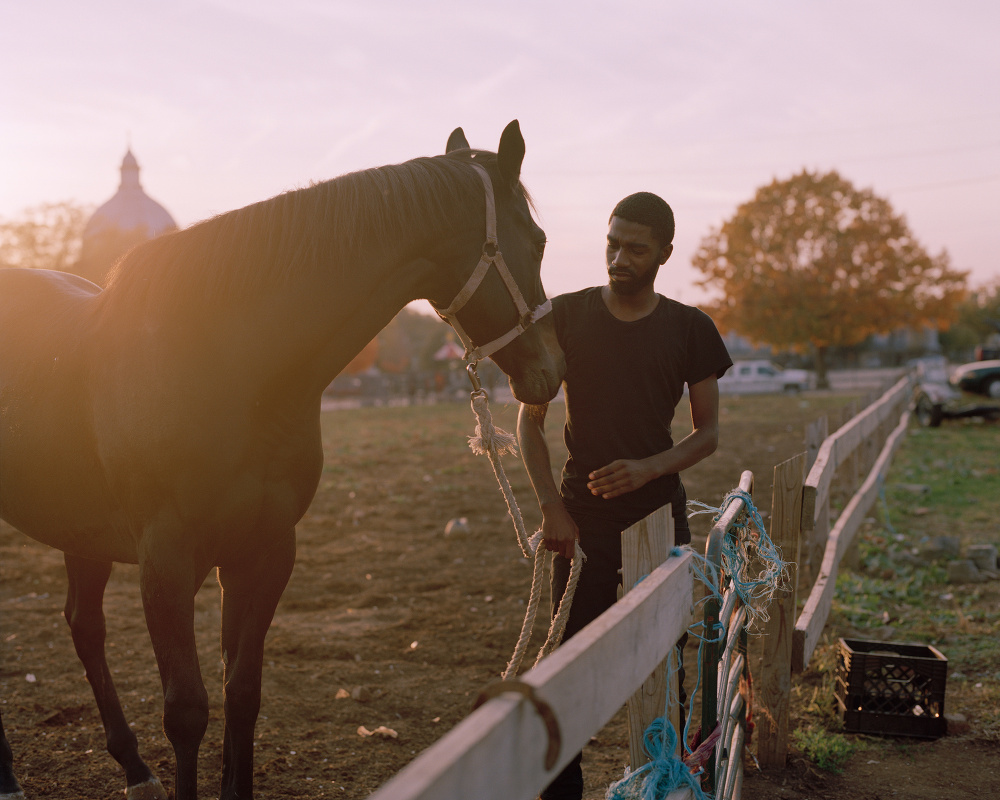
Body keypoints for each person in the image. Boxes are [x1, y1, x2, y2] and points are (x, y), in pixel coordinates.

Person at [516, 191, 732, 800]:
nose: (620, 257)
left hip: (657, 516)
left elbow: (708, 434)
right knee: (569, 659)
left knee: (664, 658)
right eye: (613, 243)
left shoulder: (691, 329)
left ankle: (670, 784)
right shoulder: (566, 316)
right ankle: (562, 790)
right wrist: (551, 509)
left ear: (664, 252)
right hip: (579, 518)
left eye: (636, 248)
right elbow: (529, 424)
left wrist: (647, 469)